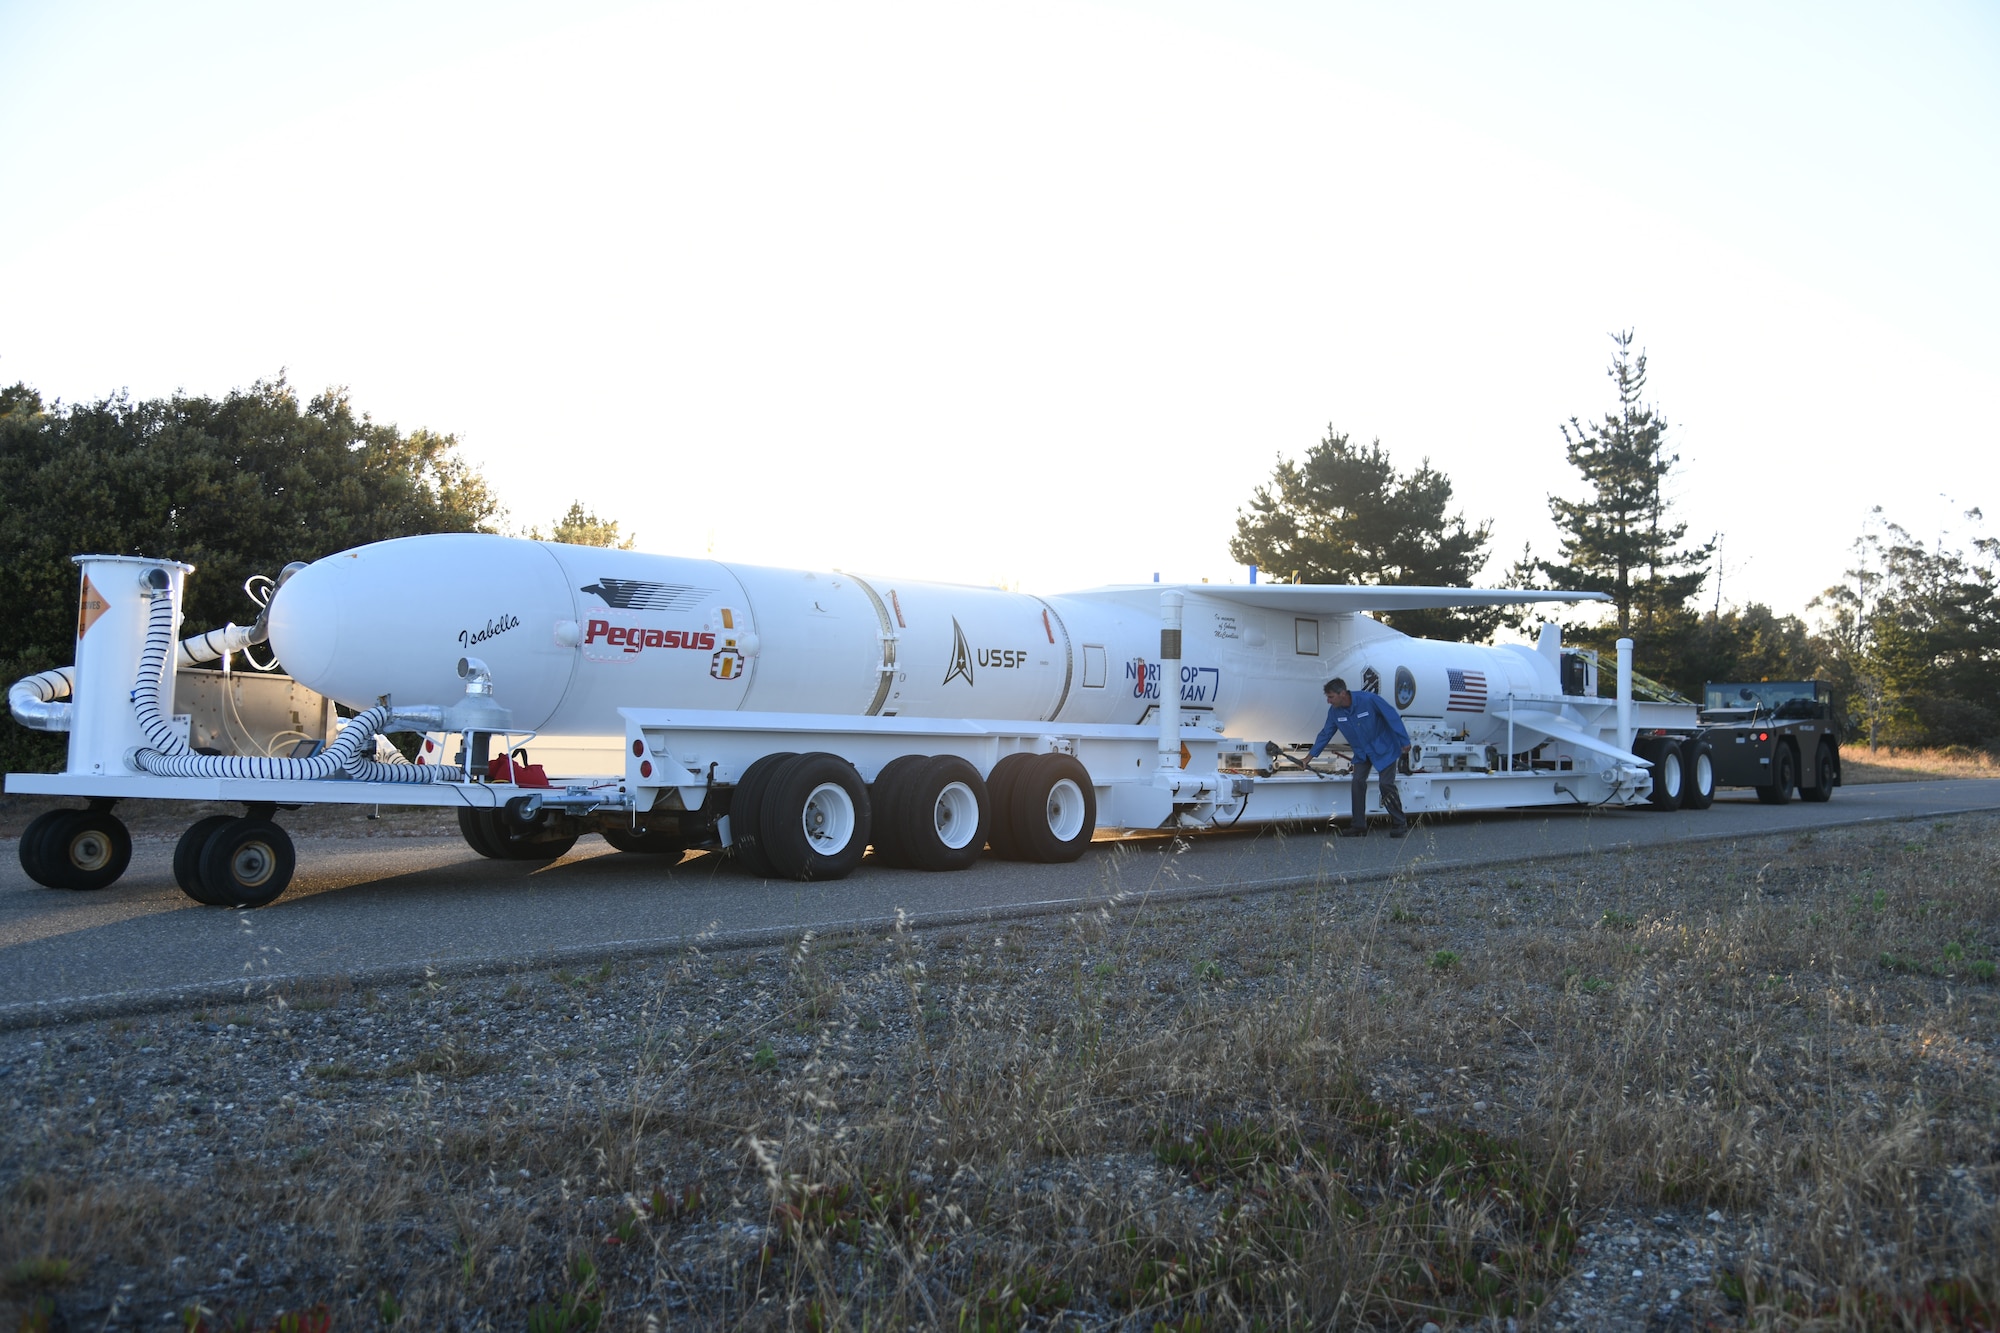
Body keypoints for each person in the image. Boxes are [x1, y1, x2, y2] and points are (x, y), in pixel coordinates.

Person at [1306, 675, 1411, 838]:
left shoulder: (1369, 700)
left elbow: (1392, 716)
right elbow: (1325, 734)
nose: (1329, 701)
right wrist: (1308, 758)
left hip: (1384, 748)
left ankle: (1399, 823)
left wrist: (1404, 740)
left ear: (1342, 694)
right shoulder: (1334, 713)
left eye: (1331, 697)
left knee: (1385, 784)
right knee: (1357, 783)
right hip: (1362, 752)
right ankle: (1359, 826)